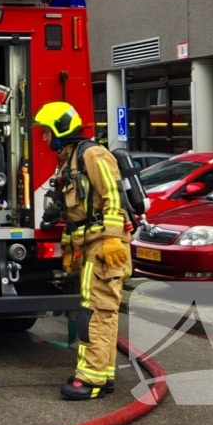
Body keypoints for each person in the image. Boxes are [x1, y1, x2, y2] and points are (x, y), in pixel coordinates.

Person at [33, 102, 132, 401]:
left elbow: (114, 197)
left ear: (61, 128)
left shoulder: (92, 154)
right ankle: (102, 374)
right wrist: (68, 247)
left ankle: (90, 380)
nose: (45, 139)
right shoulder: (71, 161)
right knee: (99, 310)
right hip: (92, 245)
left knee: (97, 311)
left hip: (106, 246)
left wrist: (114, 238)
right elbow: (75, 213)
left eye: (47, 132)